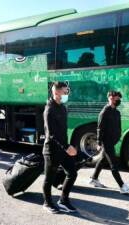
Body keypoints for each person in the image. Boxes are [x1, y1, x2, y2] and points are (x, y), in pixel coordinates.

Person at [42, 82, 78, 214]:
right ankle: (47, 203)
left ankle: (63, 201)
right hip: (51, 150)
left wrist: (68, 146)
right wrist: (67, 147)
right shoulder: (49, 109)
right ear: (56, 92)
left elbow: (62, 131)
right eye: (65, 91)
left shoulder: (62, 107)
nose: (67, 94)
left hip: (63, 148)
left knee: (72, 173)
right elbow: (51, 134)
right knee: (49, 178)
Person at [89, 91, 129, 194]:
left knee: (103, 159)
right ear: (111, 98)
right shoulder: (104, 112)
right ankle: (122, 186)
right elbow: (100, 128)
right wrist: (99, 143)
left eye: (119, 99)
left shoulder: (117, 112)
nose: (118, 101)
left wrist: (118, 136)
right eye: (117, 99)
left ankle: (94, 178)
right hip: (106, 142)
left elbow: (118, 126)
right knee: (113, 164)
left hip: (112, 141)